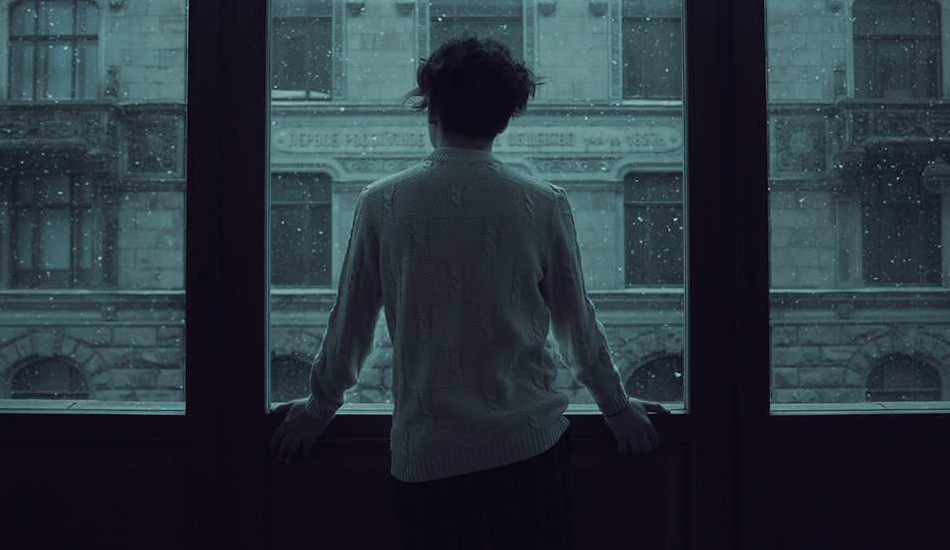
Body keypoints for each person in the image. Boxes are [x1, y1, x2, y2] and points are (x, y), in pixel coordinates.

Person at [270, 36, 668, 549]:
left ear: (430, 110)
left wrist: (320, 408)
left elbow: (351, 322)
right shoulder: (543, 203)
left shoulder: (382, 203)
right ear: (504, 121)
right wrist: (615, 407)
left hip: (427, 452)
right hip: (530, 445)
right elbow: (576, 323)